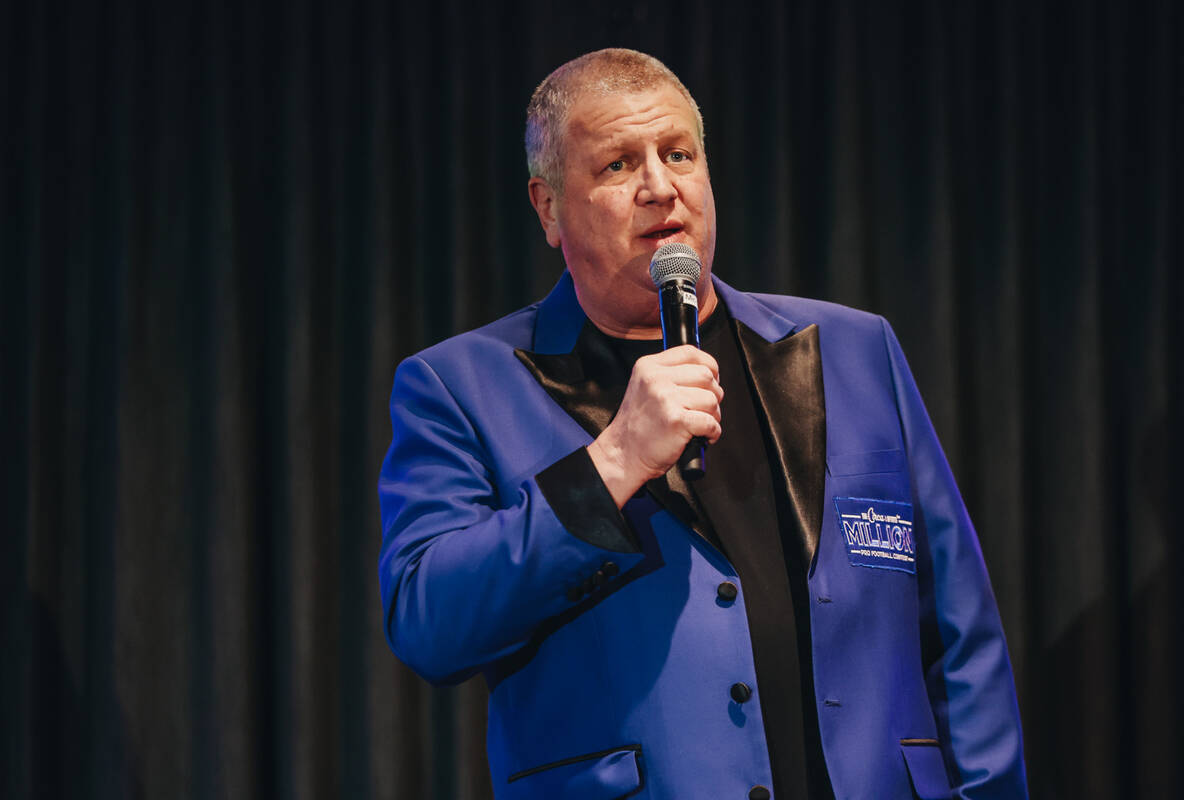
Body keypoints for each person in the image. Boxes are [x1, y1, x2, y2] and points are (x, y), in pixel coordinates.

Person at [379, 48, 1027, 800]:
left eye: (679, 154)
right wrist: (612, 463)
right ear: (550, 209)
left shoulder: (854, 348)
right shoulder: (459, 385)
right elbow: (429, 624)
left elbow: (959, 629)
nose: (661, 187)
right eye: (619, 165)